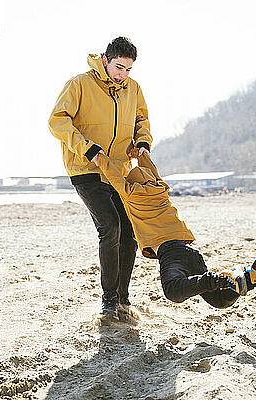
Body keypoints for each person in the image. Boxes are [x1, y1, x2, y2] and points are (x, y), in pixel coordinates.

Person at [96, 150, 256, 310]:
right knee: (219, 301)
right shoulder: (160, 189)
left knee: (173, 291)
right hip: (188, 251)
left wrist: (97, 156)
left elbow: (112, 174)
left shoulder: (131, 193)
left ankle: (221, 278)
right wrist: (142, 154)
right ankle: (252, 275)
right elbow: (152, 171)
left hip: (170, 254)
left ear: (131, 183)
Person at [48, 37, 152, 317]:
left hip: (118, 170)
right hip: (86, 168)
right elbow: (57, 120)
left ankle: (123, 299)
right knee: (110, 227)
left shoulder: (133, 88)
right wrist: (86, 147)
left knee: (129, 233)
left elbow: (141, 120)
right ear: (105, 61)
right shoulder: (80, 83)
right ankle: (108, 302)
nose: (123, 75)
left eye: (128, 70)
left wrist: (143, 142)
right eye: (119, 67)